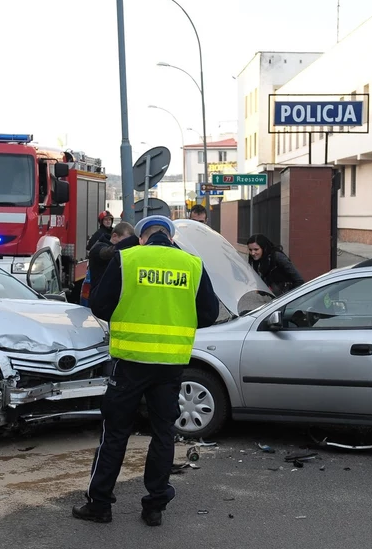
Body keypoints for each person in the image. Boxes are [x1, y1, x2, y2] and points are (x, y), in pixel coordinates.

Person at [76, 215, 219, 527]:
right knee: (163, 433)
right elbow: (210, 313)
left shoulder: (127, 259)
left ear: (141, 237)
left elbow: (99, 306)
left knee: (115, 432)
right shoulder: (191, 264)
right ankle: (154, 506)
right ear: (170, 236)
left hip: (129, 362)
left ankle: (100, 504)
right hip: (170, 365)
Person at [87, 222, 137, 297]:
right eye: (125, 240)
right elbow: (107, 253)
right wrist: (132, 240)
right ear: (114, 236)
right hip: (101, 299)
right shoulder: (97, 248)